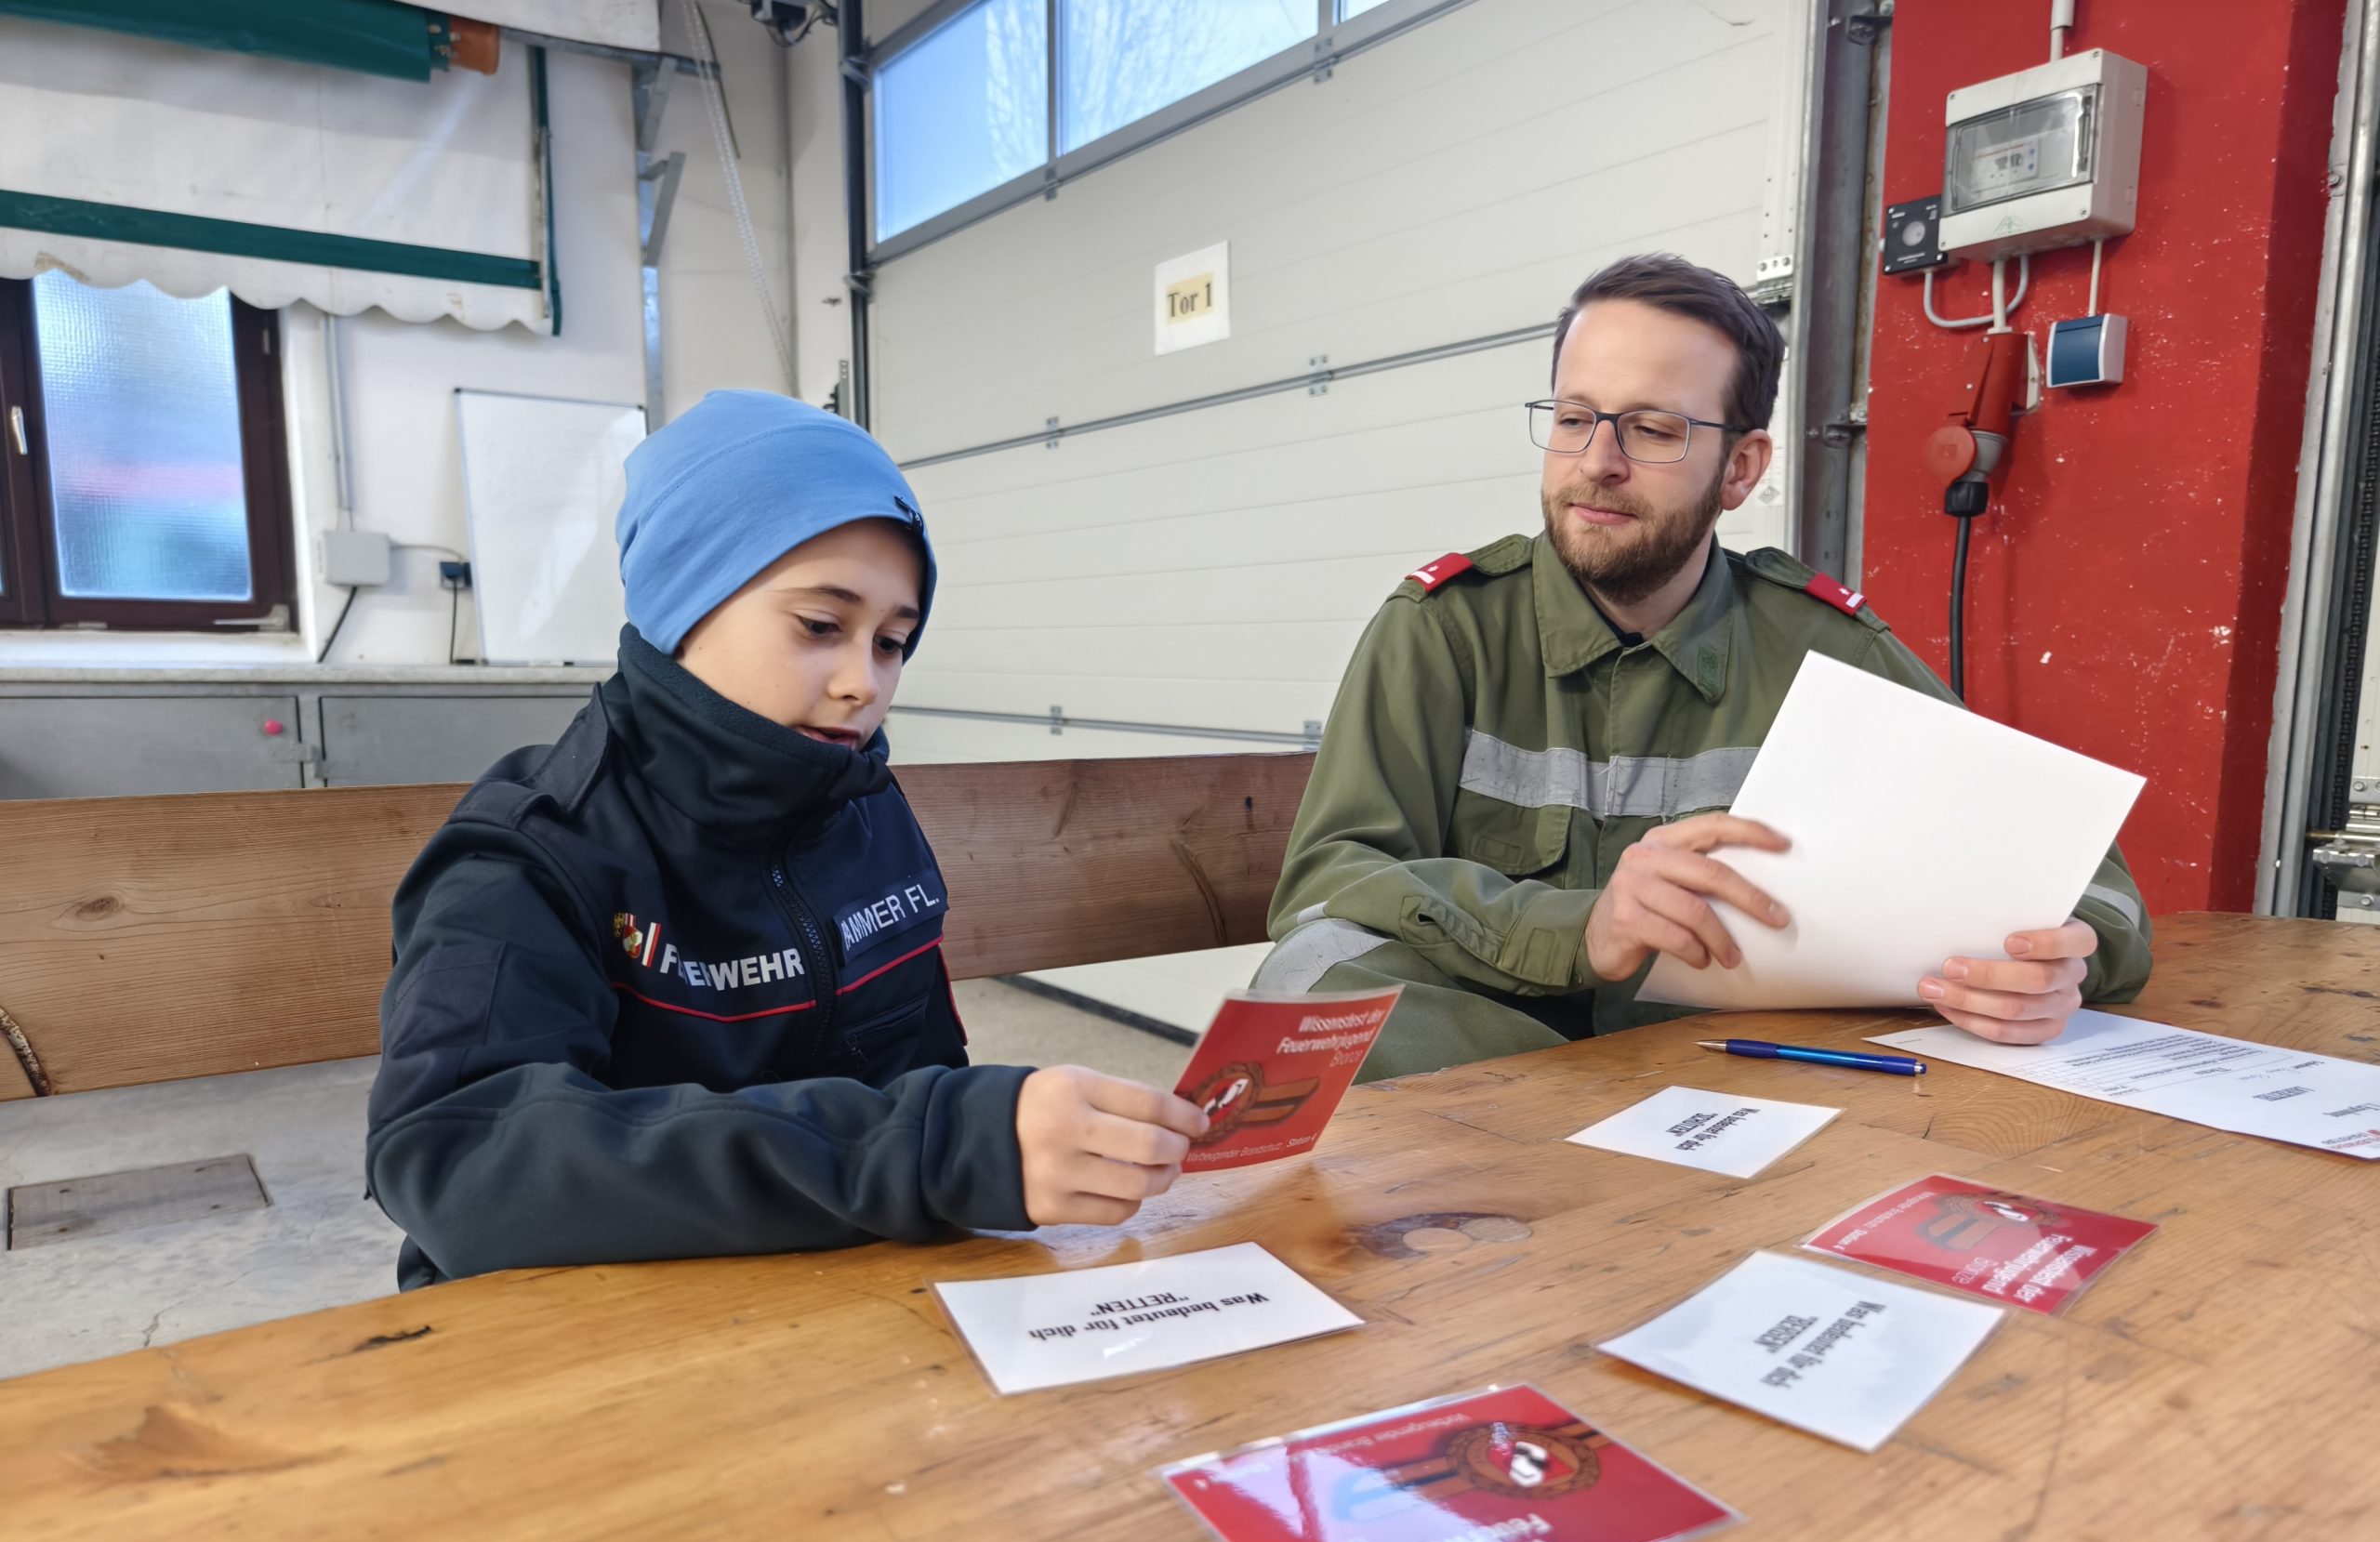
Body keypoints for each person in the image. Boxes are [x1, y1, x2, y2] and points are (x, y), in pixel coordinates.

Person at [367, 391, 1207, 1288]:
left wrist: (1003, 1140)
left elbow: (916, 1077)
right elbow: (455, 1156)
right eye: (820, 626)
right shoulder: (531, 854)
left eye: (892, 641)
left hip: (845, 1293)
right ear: (683, 604)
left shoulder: (862, 807)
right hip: (586, 1322)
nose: (863, 683)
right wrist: (932, 1147)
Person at [1257, 254, 2150, 1081]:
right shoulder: (1444, 631)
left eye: (1652, 430)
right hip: (1494, 1066)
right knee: (1308, 983)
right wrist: (1579, 928)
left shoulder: (1826, 650)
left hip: (1733, 1077)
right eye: (1573, 419)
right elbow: (1331, 879)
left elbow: (2091, 888)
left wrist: (2053, 967)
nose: (1596, 464)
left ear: (1740, 469)